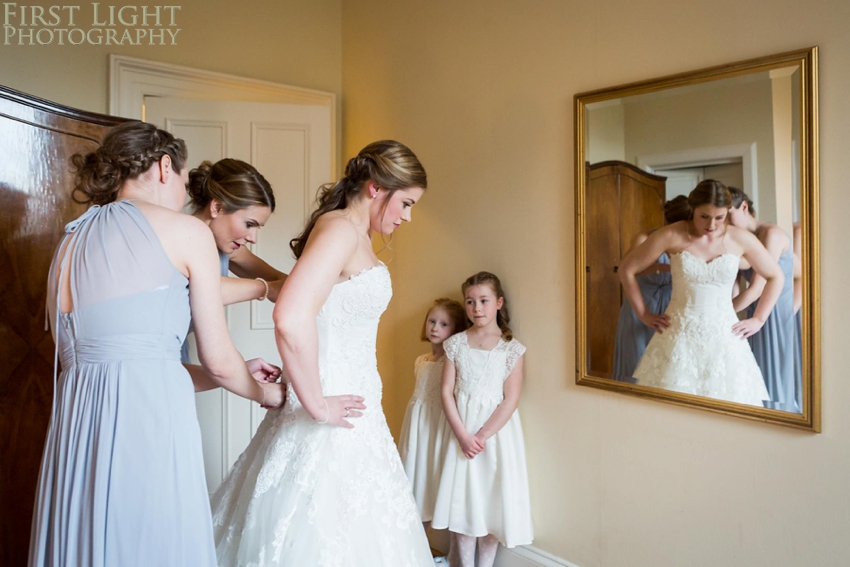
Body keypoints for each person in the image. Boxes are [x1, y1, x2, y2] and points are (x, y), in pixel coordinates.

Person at [29, 121, 286, 567]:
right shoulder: (187, 233)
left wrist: (239, 366)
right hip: (145, 426)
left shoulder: (68, 244)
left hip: (76, 427)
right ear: (166, 167)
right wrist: (267, 393)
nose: (187, 192)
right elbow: (217, 361)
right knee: (149, 543)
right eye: (185, 180)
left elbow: (139, 362)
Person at [210, 140, 435, 565]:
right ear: (375, 187)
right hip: (332, 409)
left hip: (356, 406)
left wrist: (248, 266)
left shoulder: (347, 232)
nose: (407, 217)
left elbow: (302, 293)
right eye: (405, 203)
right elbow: (292, 316)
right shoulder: (341, 231)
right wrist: (315, 405)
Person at [620, 179, 783, 406]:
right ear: (693, 209)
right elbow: (627, 269)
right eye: (704, 216)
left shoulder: (740, 238)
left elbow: (776, 276)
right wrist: (643, 314)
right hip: (678, 337)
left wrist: (759, 319)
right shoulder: (671, 235)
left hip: (725, 337)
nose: (712, 225)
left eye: (720, 217)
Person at [432, 272, 533, 567]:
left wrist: (483, 435)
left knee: (491, 501)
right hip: (460, 431)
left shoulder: (511, 349)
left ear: (498, 303)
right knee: (463, 503)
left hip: (496, 435)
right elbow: (446, 392)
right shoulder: (455, 344)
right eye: (471, 302)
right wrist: (464, 436)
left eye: (484, 301)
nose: (477, 308)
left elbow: (511, 399)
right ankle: (461, 563)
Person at [181, 158, 288, 363]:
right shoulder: (181, 237)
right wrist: (267, 289)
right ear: (217, 207)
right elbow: (206, 290)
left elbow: (277, 278)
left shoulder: (226, 248)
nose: (253, 238)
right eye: (249, 224)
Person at [728, 187, 799, 412]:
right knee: (757, 381)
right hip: (754, 316)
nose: (723, 223)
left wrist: (791, 310)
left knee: (777, 385)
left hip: (776, 316)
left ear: (745, 207)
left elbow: (758, 288)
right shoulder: (740, 241)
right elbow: (733, 289)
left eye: (728, 214)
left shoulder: (771, 234)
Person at [399, 298, 468, 523]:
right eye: (432, 321)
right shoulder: (421, 360)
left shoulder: (450, 363)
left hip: (435, 423)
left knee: (429, 473)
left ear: (456, 330)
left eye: (443, 324)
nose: (435, 328)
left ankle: (426, 522)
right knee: (412, 469)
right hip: (415, 424)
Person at [611, 195, 690, 382]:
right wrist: (662, 267)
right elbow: (626, 268)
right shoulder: (645, 238)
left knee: (667, 366)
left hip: (671, 306)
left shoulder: (689, 241)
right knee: (636, 362)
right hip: (642, 303)